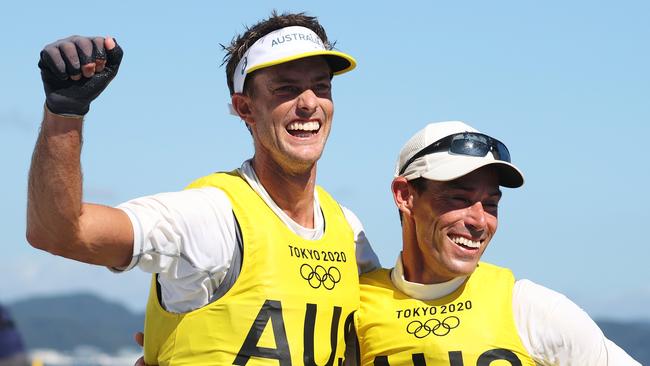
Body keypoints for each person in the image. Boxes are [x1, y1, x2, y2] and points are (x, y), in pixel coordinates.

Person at [27, 11, 379, 365]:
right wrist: (65, 110)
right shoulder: (209, 216)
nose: (308, 103)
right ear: (245, 108)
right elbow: (58, 232)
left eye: (321, 86)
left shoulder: (349, 233)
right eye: (286, 89)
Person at [351, 121, 639, 365]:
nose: (479, 221)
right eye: (459, 199)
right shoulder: (358, 306)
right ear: (405, 195)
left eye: (491, 204)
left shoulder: (530, 308)